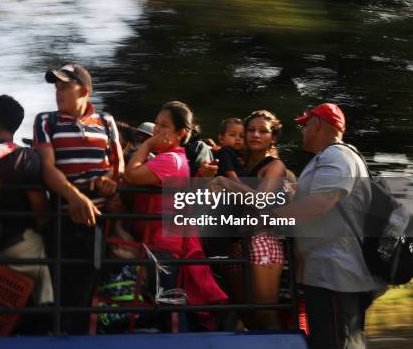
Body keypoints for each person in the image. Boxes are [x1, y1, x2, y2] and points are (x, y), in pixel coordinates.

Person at [271, 103, 377, 349]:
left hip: (336, 272)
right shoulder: (325, 159)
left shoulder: (337, 156)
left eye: (305, 125)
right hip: (327, 272)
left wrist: (270, 216)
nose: (303, 131)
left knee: (336, 342)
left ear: (317, 124)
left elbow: (319, 204)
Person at [32, 63, 124, 333]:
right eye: (56, 87)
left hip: (96, 224)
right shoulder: (45, 121)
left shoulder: (107, 122)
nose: (57, 92)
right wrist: (75, 197)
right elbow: (47, 168)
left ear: (83, 90)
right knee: (60, 294)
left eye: (64, 86)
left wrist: (109, 181)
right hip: (62, 221)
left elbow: (118, 165)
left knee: (86, 295)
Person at [125, 100, 228, 331]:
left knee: (170, 310)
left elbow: (130, 175)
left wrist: (147, 143)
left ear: (181, 134)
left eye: (164, 126)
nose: (157, 130)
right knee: (166, 307)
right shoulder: (172, 158)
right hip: (162, 244)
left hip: (163, 245)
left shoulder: (170, 160)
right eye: (157, 124)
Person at [210, 110, 287, 330]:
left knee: (265, 313)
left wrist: (226, 183)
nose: (255, 135)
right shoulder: (237, 164)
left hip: (260, 241)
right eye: (250, 130)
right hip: (234, 245)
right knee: (247, 315)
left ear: (273, 137)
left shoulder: (274, 166)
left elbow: (260, 201)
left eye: (263, 131)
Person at [0, 95, 54, 307]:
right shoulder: (25, 158)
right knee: (49, 261)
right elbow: (40, 211)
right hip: (14, 244)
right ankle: (49, 319)